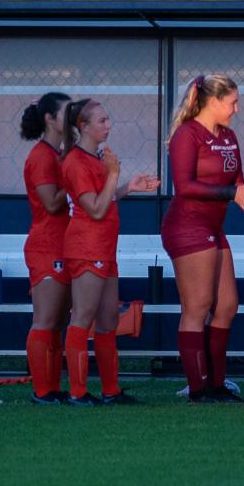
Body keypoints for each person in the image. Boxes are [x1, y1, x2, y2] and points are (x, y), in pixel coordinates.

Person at [164, 75, 244, 403]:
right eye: (232, 102)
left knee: (228, 305)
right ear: (213, 102)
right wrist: (230, 193)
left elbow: (238, 181)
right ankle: (198, 387)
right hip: (187, 227)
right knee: (198, 305)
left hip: (213, 228)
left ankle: (217, 384)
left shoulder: (230, 136)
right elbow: (185, 186)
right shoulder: (187, 135)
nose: (236, 108)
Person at [59, 99, 157, 405]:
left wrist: (127, 187)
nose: (108, 125)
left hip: (104, 246)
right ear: (83, 127)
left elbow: (105, 198)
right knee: (83, 316)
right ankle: (78, 392)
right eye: (101, 121)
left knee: (108, 319)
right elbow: (95, 208)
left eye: (108, 120)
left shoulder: (96, 158)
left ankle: (110, 390)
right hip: (86, 247)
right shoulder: (75, 161)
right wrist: (113, 173)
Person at [20, 92, 73, 404]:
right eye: (67, 113)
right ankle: (42, 391)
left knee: (58, 321)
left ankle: (52, 388)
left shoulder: (58, 153)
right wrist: (74, 174)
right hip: (46, 245)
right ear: (50, 119)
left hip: (64, 243)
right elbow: (52, 202)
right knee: (46, 319)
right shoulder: (41, 156)